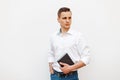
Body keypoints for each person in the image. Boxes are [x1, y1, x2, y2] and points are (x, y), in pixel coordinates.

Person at [48, 7, 90, 80]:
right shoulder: (53, 36)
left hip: (71, 76)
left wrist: (70, 68)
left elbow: (87, 57)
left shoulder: (78, 36)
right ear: (58, 19)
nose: (67, 21)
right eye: (64, 18)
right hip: (55, 76)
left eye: (69, 18)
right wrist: (51, 68)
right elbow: (51, 53)